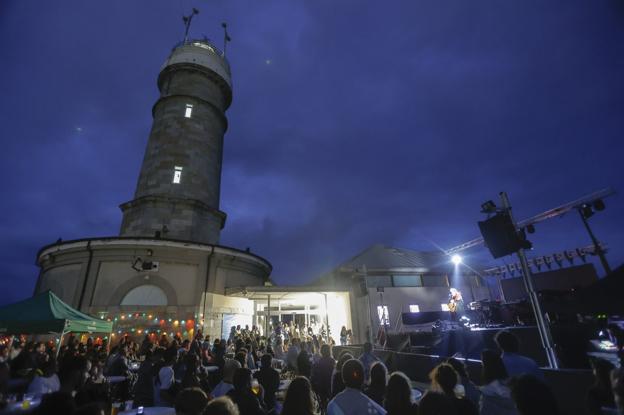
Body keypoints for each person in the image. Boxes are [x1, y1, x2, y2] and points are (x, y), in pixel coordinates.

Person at [478, 349, 517, 415]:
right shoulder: (513, 384)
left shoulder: (487, 391)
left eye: (482, 362)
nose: (481, 364)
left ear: (486, 366)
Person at [311, 344, 336, 408]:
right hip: (330, 387)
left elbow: (314, 377)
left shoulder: (318, 362)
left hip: (321, 388)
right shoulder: (332, 361)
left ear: (321, 352)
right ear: (329, 351)